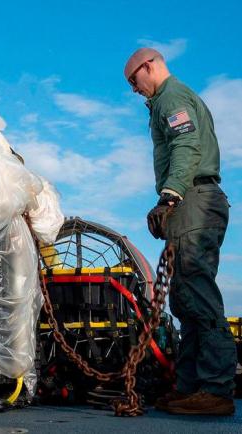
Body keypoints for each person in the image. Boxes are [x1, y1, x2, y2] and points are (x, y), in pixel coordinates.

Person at [124, 48, 236, 416]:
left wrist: (169, 197)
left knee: (197, 292)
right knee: (185, 298)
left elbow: (185, 144)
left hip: (194, 199)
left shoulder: (171, 96)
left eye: (133, 80)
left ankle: (215, 389)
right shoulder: (165, 102)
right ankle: (190, 386)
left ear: (149, 66)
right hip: (191, 200)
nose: (134, 89)